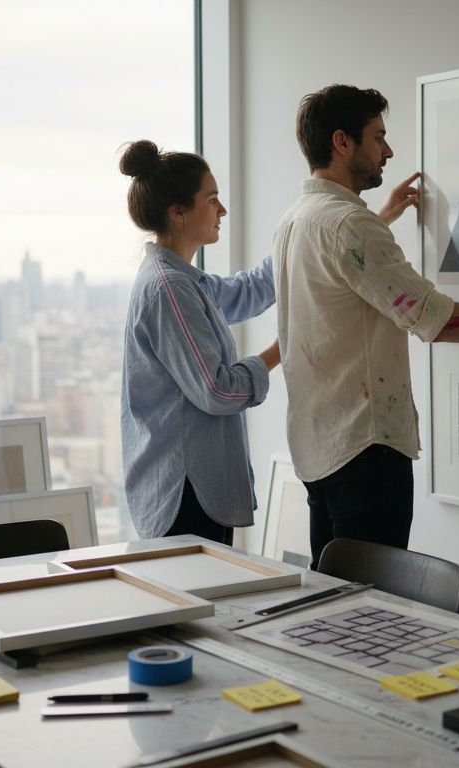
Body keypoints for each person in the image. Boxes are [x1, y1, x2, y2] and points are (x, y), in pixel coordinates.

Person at [272, 85, 459, 568]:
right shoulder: (350, 227)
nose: (388, 150)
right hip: (365, 451)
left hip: (317, 446)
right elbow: (438, 321)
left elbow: (349, 282)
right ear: (342, 142)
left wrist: (381, 219)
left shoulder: (295, 220)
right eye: (377, 137)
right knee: (370, 613)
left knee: (335, 604)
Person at [119, 139, 280, 545]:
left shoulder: (184, 282)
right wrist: (283, 349)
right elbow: (217, 390)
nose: (222, 211)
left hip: (192, 492)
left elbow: (249, 291)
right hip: (184, 497)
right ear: (178, 213)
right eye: (212, 200)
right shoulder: (169, 288)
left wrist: (306, 239)